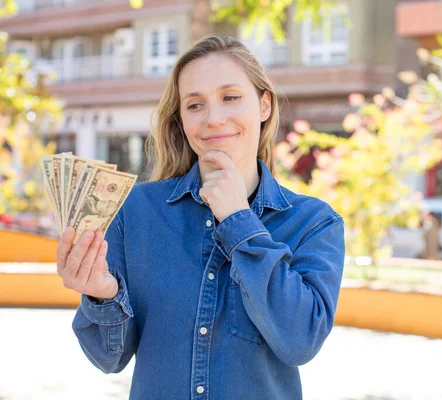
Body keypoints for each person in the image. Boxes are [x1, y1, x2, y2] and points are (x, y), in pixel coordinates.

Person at [55, 34, 345, 400]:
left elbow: (300, 341)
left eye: (230, 97)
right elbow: (107, 359)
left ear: (265, 105)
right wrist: (102, 294)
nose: (213, 118)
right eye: (195, 105)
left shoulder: (314, 222)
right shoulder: (135, 210)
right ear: (181, 119)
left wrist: (239, 220)